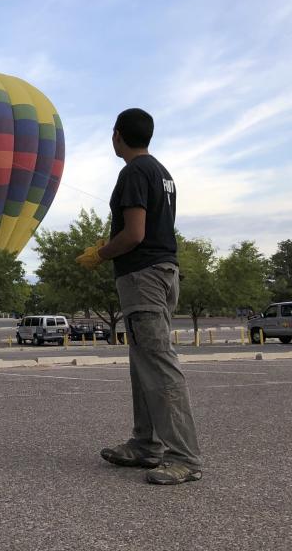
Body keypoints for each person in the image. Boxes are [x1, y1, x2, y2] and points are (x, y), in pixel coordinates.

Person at [75, 108, 202, 485]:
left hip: (143, 276)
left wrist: (100, 253)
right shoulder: (162, 173)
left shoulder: (132, 172)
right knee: (144, 361)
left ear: (117, 135)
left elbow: (134, 234)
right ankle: (145, 445)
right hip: (164, 272)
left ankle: (185, 458)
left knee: (159, 363)